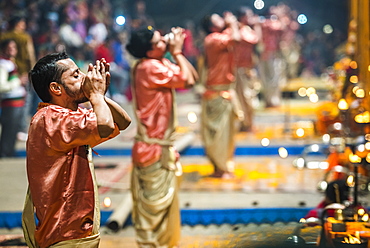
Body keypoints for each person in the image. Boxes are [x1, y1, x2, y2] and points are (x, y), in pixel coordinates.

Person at [22, 52, 131, 248]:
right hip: (63, 229)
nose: (84, 78)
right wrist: (95, 95)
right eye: (75, 75)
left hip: (77, 228)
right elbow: (105, 126)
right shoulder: (50, 118)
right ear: (56, 88)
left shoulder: (73, 113)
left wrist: (100, 95)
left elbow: (123, 122)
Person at [126, 26, 197, 247]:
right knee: (153, 212)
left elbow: (192, 77)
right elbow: (189, 81)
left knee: (162, 209)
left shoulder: (157, 64)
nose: (163, 43)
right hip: (153, 150)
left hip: (158, 148)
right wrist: (176, 52)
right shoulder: (149, 67)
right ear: (148, 51)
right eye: (158, 42)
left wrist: (175, 54)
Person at [200, 12, 255, 178]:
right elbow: (236, 39)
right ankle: (220, 167)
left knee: (228, 132)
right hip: (217, 91)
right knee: (220, 134)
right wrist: (232, 23)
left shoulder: (222, 36)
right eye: (217, 18)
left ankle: (224, 165)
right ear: (211, 26)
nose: (222, 19)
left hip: (225, 89)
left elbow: (247, 38)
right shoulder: (213, 39)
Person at [234, 6, 260, 132]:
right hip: (240, 68)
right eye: (249, 15)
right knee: (245, 97)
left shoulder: (246, 28)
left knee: (250, 97)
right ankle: (246, 124)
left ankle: (248, 123)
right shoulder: (238, 29)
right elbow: (254, 39)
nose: (251, 18)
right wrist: (258, 26)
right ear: (243, 17)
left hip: (248, 68)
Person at [0, 39, 27, 157]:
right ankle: (5, 152)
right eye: (9, 48)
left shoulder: (10, 62)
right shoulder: (3, 64)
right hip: (10, 103)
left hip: (17, 102)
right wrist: (18, 82)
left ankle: (9, 151)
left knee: (13, 129)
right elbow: (2, 86)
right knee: (9, 130)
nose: (12, 50)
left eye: (14, 47)